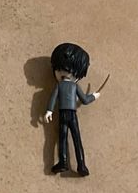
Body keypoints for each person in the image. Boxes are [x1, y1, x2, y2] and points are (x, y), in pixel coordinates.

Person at [43, 42, 101, 176]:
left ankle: (66, 163)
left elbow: (54, 98)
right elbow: (84, 100)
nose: (65, 74)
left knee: (63, 138)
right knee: (75, 138)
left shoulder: (61, 86)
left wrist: (49, 111)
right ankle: (80, 165)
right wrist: (93, 96)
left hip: (64, 114)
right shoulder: (73, 86)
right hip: (71, 114)